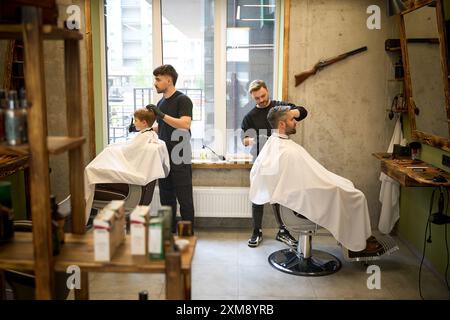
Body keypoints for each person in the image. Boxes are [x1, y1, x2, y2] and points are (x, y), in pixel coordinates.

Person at [249, 105, 383, 257]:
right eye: (292, 119)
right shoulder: (286, 151)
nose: (296, 122)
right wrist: (329, 185)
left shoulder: (276, 145)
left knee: (347, 187)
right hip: (297, 203)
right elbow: (298, 182)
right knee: (356, 196)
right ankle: (358, 244)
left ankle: (357, 240)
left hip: (298, 194)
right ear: (281, 124)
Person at [241, 80, 308, 248]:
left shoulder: (279, 107)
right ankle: (257, 231)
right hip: (261, 160)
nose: (261, 100)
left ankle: (283, 231)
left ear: (267, 90)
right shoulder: (249, 116)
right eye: (257, 98)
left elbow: (303, 111)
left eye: (263, 96)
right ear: (252, 97)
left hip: (281, 160)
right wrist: (257, 138)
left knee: (279, 195)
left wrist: (287, 114)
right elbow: (244, 140)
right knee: (258, 195)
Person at [84, 107, 170, 222]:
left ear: (144, 123)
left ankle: (83, 213)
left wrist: (112, 150)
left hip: (131, 183)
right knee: (109, 151)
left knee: (90, 171)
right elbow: (130, 147)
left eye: (136, 120)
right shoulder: (150, 135)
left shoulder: (145, 137)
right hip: (135, 175)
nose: (134, 123)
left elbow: (128, 152)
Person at [149, 64, 195, 233]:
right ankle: (169, 235)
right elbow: (163, 127)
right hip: (164, 156)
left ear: (169, 80)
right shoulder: (161, 102)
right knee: (166, 198)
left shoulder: (183, 100)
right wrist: (144, 128)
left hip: (180, 154)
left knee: (185, 200)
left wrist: (160, 115)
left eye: (158, 79)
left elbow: (184, 123)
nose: (155, 83)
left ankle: (188, 237)